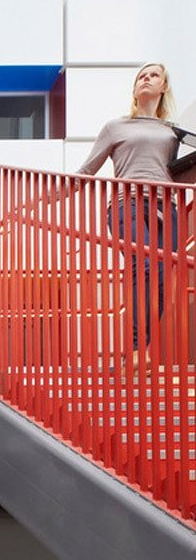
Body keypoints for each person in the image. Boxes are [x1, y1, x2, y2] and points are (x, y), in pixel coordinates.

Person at [78, 62, 184, 354]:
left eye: (154, 76)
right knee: (145, 267)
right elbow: (87, 169)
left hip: (167, 206)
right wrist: (48, 197)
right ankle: (137, 351)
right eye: (141, 76)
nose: (147, 79)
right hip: (129, 203)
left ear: (163, 87)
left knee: (163, 279)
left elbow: (182, 171)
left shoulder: (174, 133)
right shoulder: (116, 126)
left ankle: (145, 349)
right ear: (135, 88)